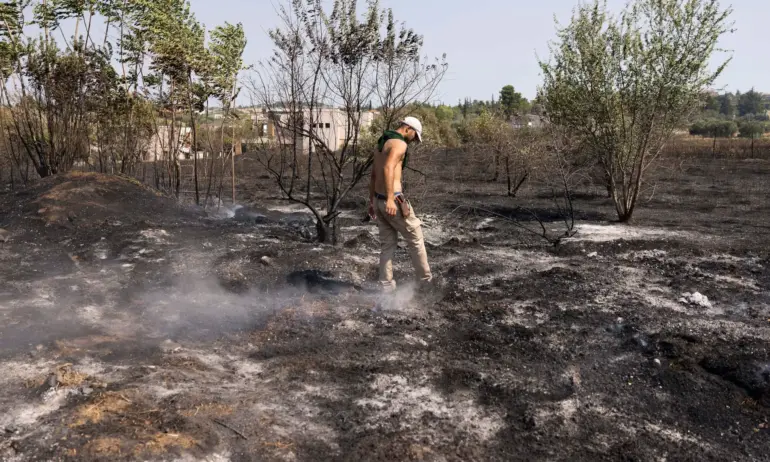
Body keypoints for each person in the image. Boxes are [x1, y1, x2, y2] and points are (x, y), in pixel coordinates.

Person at [368, 116, 432, 292]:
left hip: (378, 199)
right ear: (408, 129)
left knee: (387, 245)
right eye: (414, 136)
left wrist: (372, 201)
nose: (413, 140)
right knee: (416, 238)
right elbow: (388, 168)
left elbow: (374, 174)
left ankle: (386, 286)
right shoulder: (399, 144)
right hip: (392, 201)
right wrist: (390, 198)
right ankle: (425, 282)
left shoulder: (382, 143)